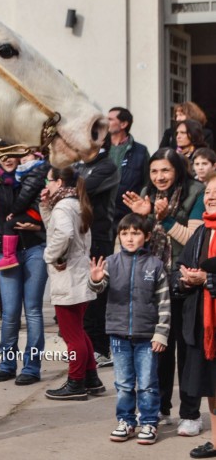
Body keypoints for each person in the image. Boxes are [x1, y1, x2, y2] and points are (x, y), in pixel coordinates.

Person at [123, 147, 205, 433]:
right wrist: (142, 219)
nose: (159, 177)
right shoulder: (147, 192)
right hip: (155, 281)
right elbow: (139, 239)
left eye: (165, 170)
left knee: (188, 350)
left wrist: (165, 219)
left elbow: (195, 239)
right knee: (159, 348)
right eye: (154, 171)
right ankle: (159, 408)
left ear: (178, 170)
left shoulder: (196, 191)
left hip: (186, 280)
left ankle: (191, 414)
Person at [89, 213, 169, 445]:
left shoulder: (156, 265)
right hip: (118, 334)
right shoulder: (111, 262)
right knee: (123, 384)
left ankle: (149, 422)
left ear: (147, 236)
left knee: (147, 383)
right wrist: (96, 280)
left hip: (147, 336)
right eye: (125, 234)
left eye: (135, 233)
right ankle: (126, 421)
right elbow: (99, 288)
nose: (130, 238)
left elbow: (164, 303)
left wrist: (161, 333)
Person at [0, 152, 48, 386]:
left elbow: (46, 210)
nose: (8, 159)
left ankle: (31, 367)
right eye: (3, 156)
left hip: (34, 249)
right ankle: (7, 364)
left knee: (33, 310)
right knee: (9, 313)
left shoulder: (35, 174)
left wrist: (37, 226)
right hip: (6, 252)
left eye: (13, 155)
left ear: (21, 157)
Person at [40, 166, 103, 401]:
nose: (46, 186)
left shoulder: (63, 207)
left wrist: (50, 255)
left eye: (49, 181)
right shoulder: (75, 204)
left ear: (59, 182)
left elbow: (64, 234)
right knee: (79, 331)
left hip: (68, 278)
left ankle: (76, 382)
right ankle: (92, 378)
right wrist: (45, 207)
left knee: (72, 336)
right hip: (79, 275)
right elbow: (55, 229)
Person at [172, 172, 216, 458]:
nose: (210, 197)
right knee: (212, 387)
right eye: (208, 192)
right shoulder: (202, 231)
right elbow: (181, 266)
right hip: (203, 324)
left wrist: (208, 280)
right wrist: (185, 280)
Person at [77, 134, 121, 368]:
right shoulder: (80, 165)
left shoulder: (107, 166)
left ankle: (101, 349)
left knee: (97, 294)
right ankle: (85, 346)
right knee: (83, 293)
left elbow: (83, 189)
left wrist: (62, 185)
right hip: (80, 236)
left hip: (99, 237)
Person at [0, 151, 45, 271]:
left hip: (36, 214)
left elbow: (25, 196)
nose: (24, 158)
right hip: (37, 211)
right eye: (22, 156)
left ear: (37, 156)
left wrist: (14, 212)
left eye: (27, 155)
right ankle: (9, 256)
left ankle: (8, 257)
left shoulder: (35, 171)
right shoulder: (31, 172)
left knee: (9, 224)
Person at [108, 107, 150, 234]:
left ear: (123, 124)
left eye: (110, 119)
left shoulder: (140, 151)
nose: (105, 122)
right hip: (103, 214)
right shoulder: (99, 149)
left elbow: (147, 182)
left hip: (128, 215)